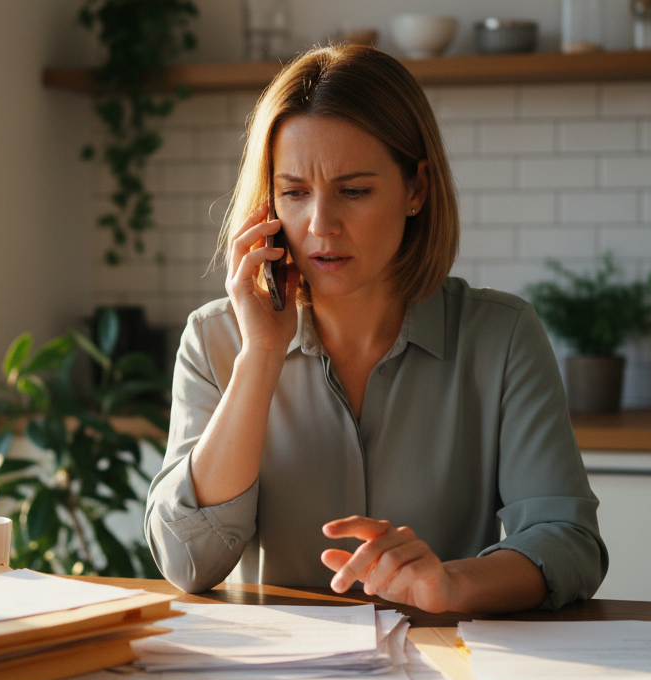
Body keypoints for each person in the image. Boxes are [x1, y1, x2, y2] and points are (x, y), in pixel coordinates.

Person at [144, 44, 607, 614]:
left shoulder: (502, 336)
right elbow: (187, 560)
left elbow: (568, 541)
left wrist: (453, 584)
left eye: (354, 191)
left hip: (443, 677)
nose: (320, 225)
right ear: (270, 203)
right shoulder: (216, 340)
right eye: (294, 192)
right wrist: (261, 354)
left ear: (416, 189)